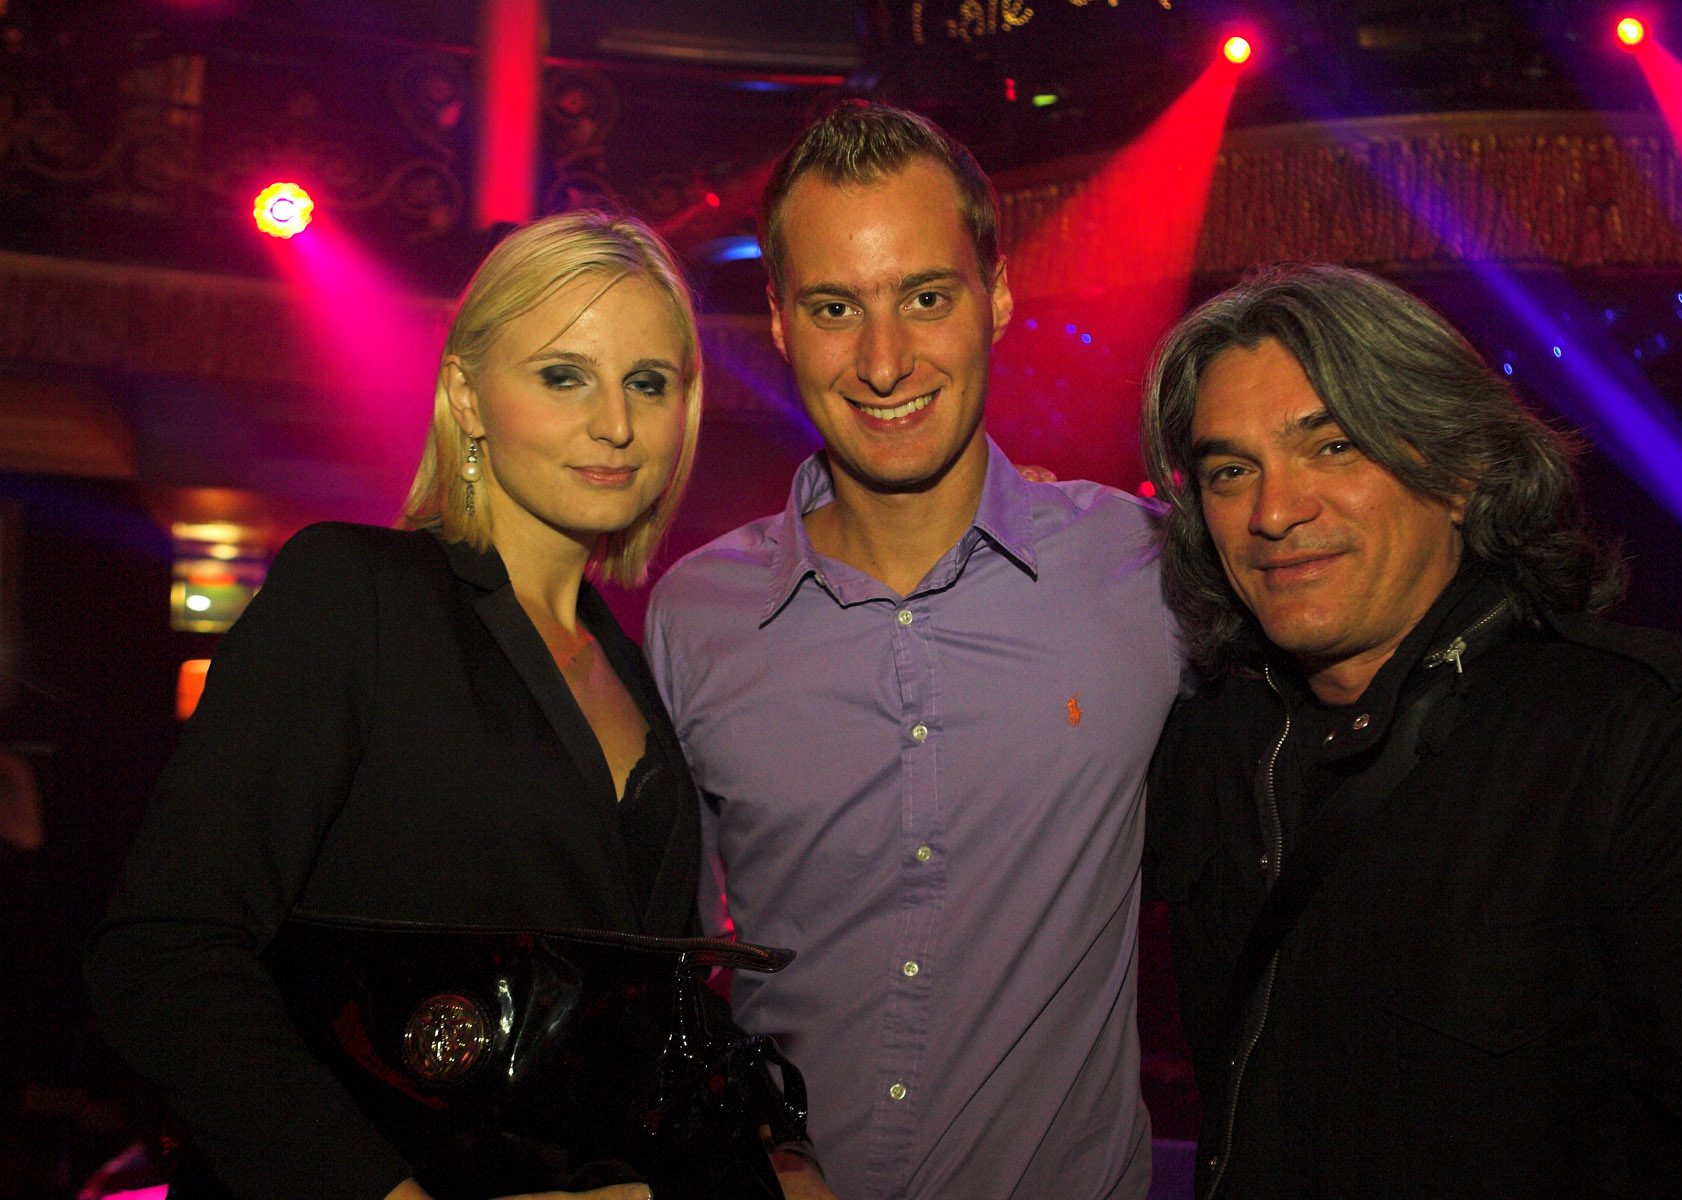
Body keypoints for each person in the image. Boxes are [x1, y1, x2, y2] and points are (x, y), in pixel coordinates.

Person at [85, 211, 826, 1200]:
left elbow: (638, 1002)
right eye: (564, 376)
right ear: (469, 398)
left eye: (648, 382)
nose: (615, 422)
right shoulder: (356, 594)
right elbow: (161, 956)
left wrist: (772, 1154)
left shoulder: (631, 663)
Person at [1140, 261, 1682, 1198]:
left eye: (1335, 447)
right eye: (1231, 471)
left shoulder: (1639, 739)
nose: (1274, 512)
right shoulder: (1210, 735)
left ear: (1460, 470)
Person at [643, 101, 1187, 1200]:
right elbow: (662, 977)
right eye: (835, 307)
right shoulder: (695, 616)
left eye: (926, 297)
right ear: (780, 321)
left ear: (997, 296)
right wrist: (753, 1145)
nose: (884, 361)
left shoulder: (1146, 570)